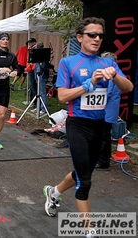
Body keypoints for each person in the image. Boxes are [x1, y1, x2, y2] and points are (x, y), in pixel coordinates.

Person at [42, 17, 133, 236]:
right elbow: (62, 97)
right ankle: (90, 231)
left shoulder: (108, 63)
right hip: (78, 126)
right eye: (92, 34)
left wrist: (115, 78)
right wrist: (88, 84)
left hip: (100, 127)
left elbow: (128, 86)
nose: (97, 39)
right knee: (85, 181)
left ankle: (54, 192)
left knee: (83, 172)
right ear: (80, 37)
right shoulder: (69, 63)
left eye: (100, 35)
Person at [96, 52, 120, 170]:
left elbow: (107, 91)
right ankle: (102, 159)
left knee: (104, 136)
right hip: (110, 109)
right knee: (104, 135)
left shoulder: (111, 73)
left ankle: (103, 162)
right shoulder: (116, 72)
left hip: (107, 109)